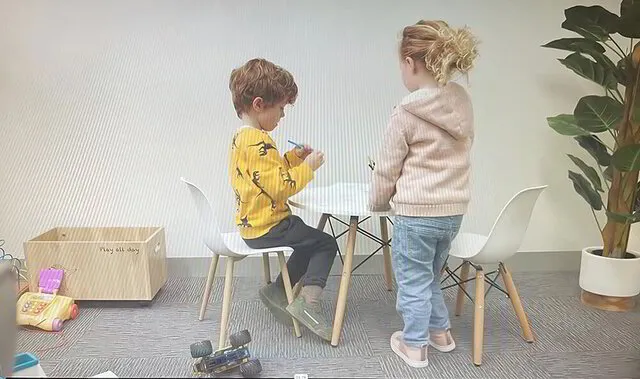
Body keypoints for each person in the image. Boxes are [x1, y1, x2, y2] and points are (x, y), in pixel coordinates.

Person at [368, 20, 479, 368]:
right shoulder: (460, 100)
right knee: (431, 274)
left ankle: (414, 345)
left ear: (410, 63)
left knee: (413, 279)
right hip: (452, 211)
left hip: (416, 214)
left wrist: (377, 202)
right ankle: (441, 332)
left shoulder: (406, 112)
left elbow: (388, 167)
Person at [228, 58, 338, 342]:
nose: (282, 116)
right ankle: (309, 304)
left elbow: (267, 176)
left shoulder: (243, 139)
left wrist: (293, 158)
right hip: (267, 226)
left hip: (254, 224)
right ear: (259, 104)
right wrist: (308, 167)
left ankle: (278, 289)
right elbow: (281, 188)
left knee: (306, 236)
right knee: (325, 243)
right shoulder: (259, 142)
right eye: (281, 108)